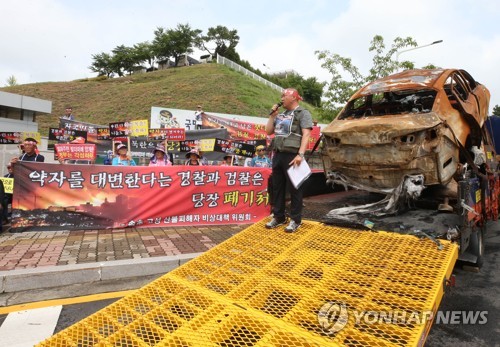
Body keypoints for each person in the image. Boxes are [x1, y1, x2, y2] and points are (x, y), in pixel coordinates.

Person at [265, 88, 313, 233]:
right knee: (277, 187)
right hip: (278, 154)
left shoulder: (303, 113)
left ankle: (295, 219)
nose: (281, 98)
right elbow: (268, 131)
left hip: (293, 156)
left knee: (295, 188)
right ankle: (279, 216)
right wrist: (273, 116)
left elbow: (306, 134)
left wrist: (301, 154)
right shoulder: (281, 115)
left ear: (293, 98)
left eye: (284, 95)